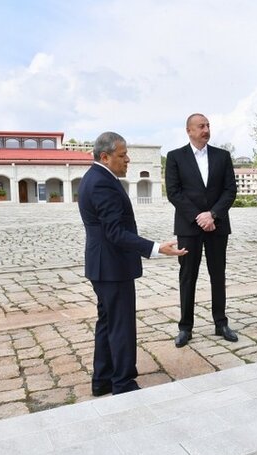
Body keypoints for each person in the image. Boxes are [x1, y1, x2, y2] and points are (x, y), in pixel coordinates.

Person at [78, 131, 186, 396]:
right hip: (112, 267)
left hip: (102, 265)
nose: (128, 159)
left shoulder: (94, 178)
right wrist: (156, 248)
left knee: (107, 323)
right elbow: (115, 232)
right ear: (105, 157)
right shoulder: (102, 183)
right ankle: (123, 383)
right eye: (122, 155)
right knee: (121, 326)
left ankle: (102, 379)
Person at [165, 113, 238, 348]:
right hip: (189, 227)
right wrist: (199, 217)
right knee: (188, 277)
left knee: (218, 275)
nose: (206, 129)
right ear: (189, 130)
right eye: (201, 126)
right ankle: (185, 327)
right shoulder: (175, 157)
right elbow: (174, 192)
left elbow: (230, 190)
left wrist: (213, 214)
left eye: (208, 125)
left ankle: (221, 323)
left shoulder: (222, 156)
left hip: (217, 225)